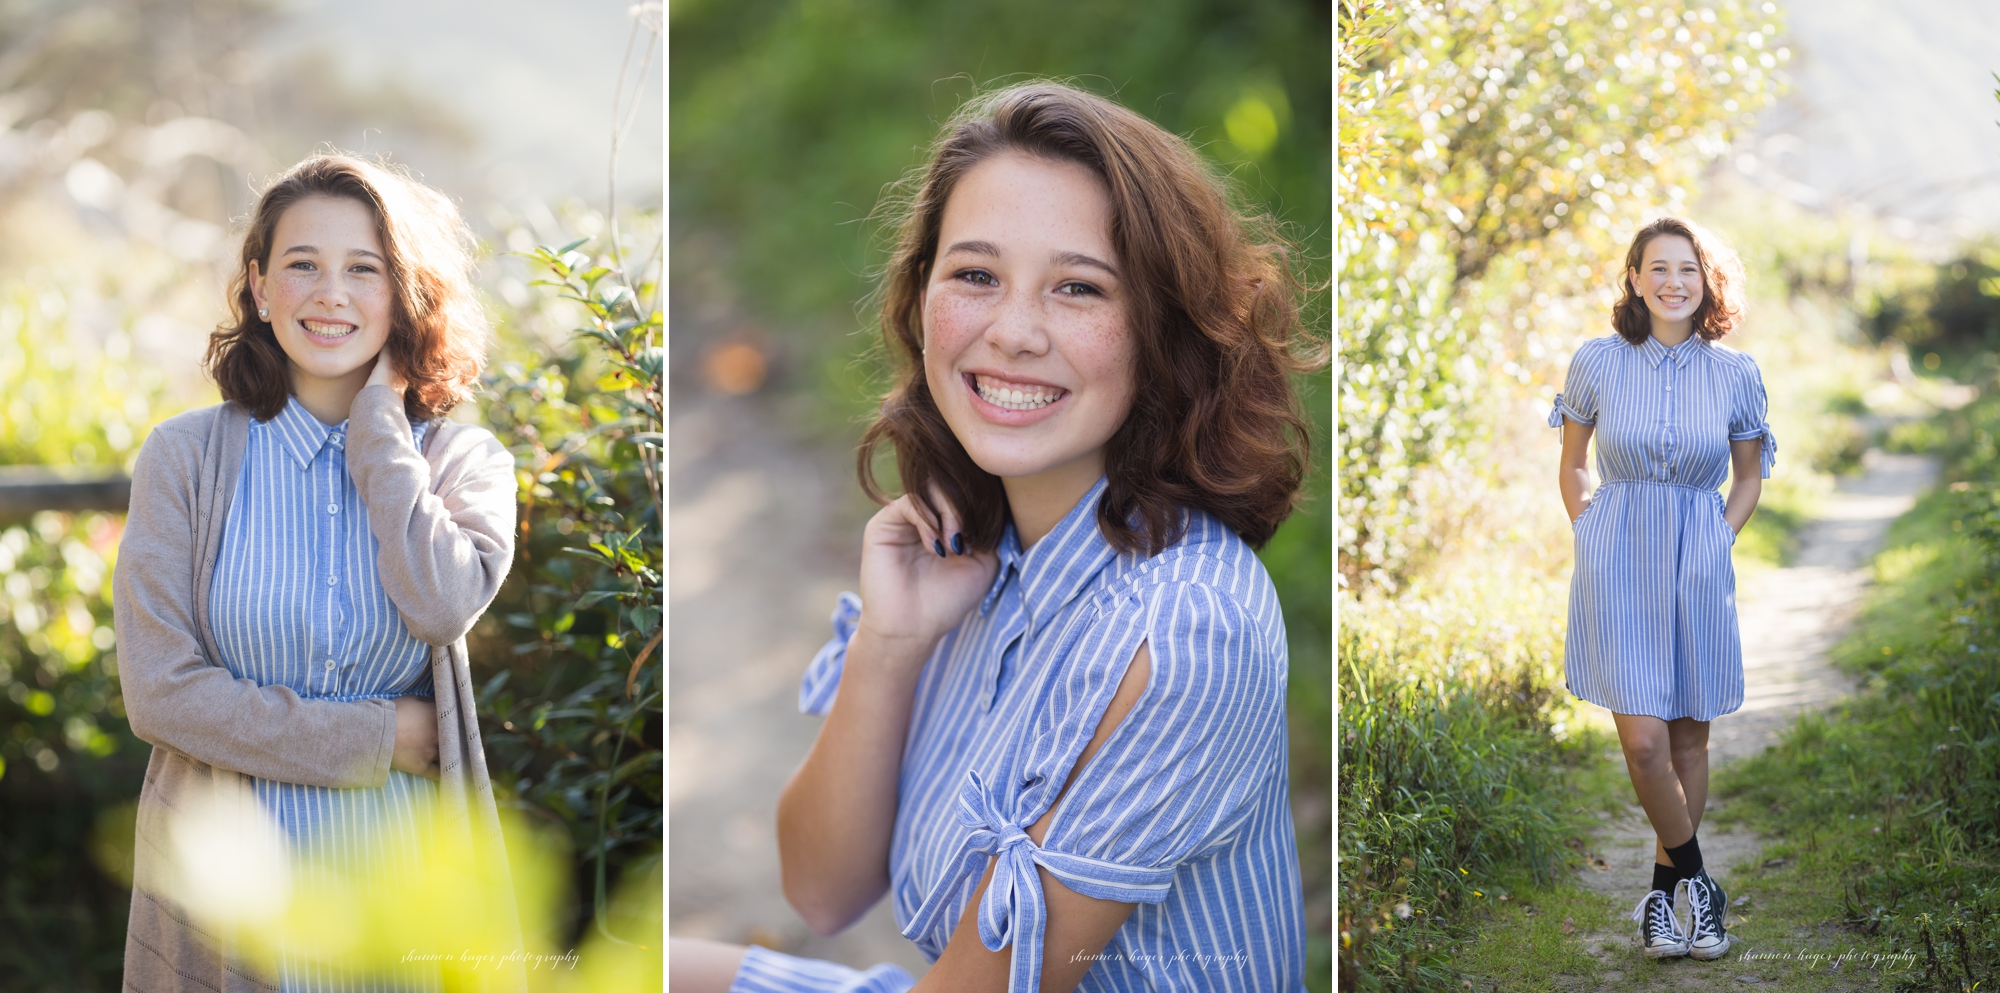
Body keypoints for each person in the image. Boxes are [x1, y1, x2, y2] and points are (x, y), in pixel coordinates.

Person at [670, 81, 1317, 992]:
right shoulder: (978, 554)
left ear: (1161, 330)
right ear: (922, 294)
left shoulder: (1181, 631)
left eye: (1079, 288)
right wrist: (891, 643)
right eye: (976, 275)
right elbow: (821, 889)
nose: (1012, 332)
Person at [114, 153, 527, 992]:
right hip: (233, 897)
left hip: (405, 898)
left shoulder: (465, 462)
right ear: (262, 288)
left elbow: (443, 604)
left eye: (363, 269)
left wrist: (379, 428)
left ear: (404, 293)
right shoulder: (186, 458)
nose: (330, 293)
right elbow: (160, 692)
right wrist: (380, 737)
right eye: (303, 264)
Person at [1549, 216, 1774, 963]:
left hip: (1698, 558)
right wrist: (1590, 528)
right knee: (1644, 742)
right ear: (1635, 278)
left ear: (1707, 281)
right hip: (1618, 557)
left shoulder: (1735, 373)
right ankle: (1703, 883)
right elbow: (1574, 461)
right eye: (1659, 268)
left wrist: (1719, 536)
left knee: (1687, 737)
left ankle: (1664, 900)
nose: (1674, 282)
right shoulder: (1598, 362)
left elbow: (1748, 475)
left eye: (1689, 269)